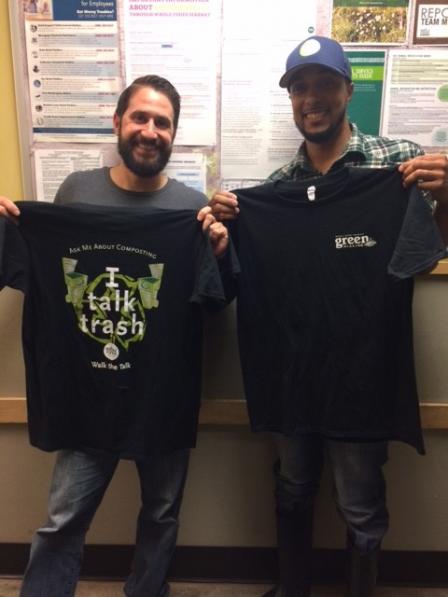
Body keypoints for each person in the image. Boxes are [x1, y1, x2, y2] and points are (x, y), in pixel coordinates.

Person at [209, 36, 448, 597]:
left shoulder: (399, 164)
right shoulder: (272, 192)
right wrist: (227, 226)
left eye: (323, 84)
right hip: (291, 374)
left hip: (364, 374)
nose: (311, 98)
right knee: (292, 485)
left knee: (359, 501)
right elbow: (231, 276)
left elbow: (429, 252)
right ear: (290, 99)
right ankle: (293, 589)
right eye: (300, 88)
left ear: (349, 89)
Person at [0, 74, 229, 597]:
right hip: (86, 393)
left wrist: (215, 246)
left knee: (163, 513)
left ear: (175, 134)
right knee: (63, 518)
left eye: (163, 122)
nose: (150, 131)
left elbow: (217, 298)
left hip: (163, 393)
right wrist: (13, 225)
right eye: (140, 118)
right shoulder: (76, 191)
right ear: (118, 124)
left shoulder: (191, 208)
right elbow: (45, 277)